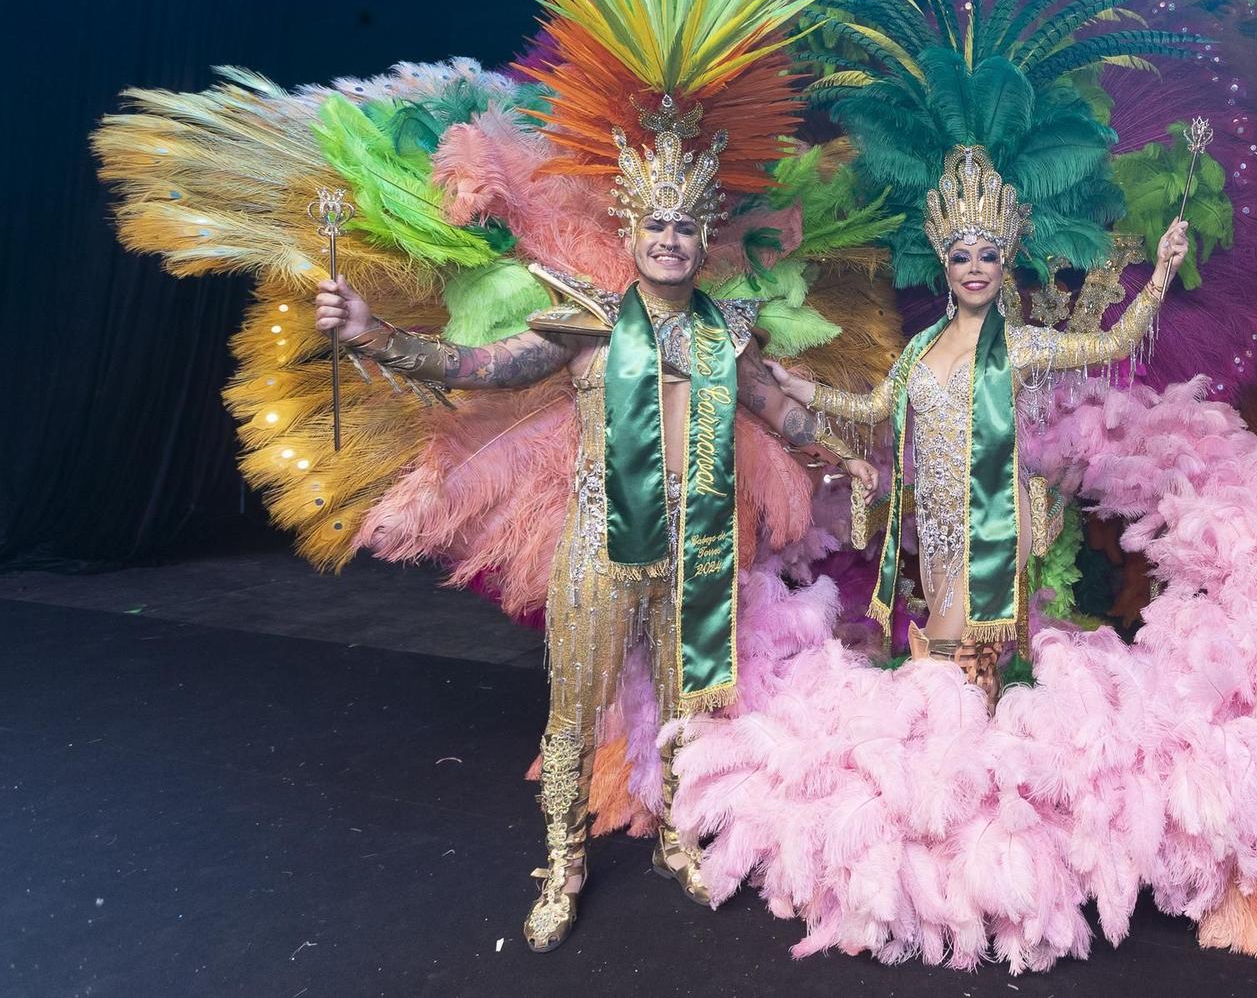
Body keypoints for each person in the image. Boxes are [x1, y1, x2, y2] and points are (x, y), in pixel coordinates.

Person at [314, 127, 872, 952]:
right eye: (656, 226)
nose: (672, 240)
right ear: (633, 235)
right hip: (603, 541)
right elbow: (480, 367)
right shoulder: (588, 325)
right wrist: (375, 334)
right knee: (575, 706)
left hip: (702, 546)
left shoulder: (727, 332)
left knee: (689, 703)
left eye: (685, 226)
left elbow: (776, 410)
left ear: (700, 237)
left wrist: (846, 456)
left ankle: (679, 839)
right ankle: (563, 863)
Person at [769, 146, 1190, 701]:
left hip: (992, 516)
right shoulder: (920, 348)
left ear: (1003, 264)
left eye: (987, 256)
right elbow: (875, 407)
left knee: (954, 648)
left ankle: (969, 753)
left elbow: (1115, 343)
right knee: (963, 659)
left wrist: (1162, 271)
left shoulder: (1017, 347)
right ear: (945, 264)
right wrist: (806, 390)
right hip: (938, 522)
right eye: (961, 256)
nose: (974, 268)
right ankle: (972, 754)